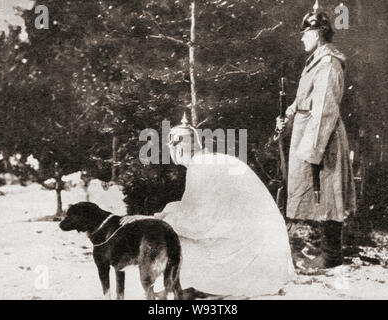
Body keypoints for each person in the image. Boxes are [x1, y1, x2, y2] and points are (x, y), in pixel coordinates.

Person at [122, 114, 295, 298]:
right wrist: (166, 214)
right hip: (267, 253)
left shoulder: (200, 167)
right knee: (176, 226)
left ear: (179, 149)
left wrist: (158, 220)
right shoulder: (212, 160)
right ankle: (186, 287)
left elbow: (198, 223)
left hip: (253, 254)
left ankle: (190, 288)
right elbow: (203, 211)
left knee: (176, 241)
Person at [276, 7, 356, 270]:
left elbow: (324, 108)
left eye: (306, 33)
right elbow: (303, 100)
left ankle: (331, 256)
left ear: (319, 34)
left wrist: (312, 150)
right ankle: (326, 252)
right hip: (310, 134)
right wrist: (286, 119)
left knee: (329, 195)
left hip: (324, 139)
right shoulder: (315, 62)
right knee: (319, 196)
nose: (301, 38)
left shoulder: (329, 63)